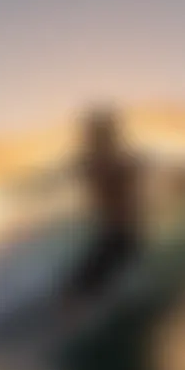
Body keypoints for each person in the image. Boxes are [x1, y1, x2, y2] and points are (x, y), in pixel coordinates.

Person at [61, 107, 146, 320]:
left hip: (121, 236)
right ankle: (87, 319)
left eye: (94, 133)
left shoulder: (111, 162)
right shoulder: (100, 162)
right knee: (87, 286)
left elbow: (126, 180)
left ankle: (79, 321)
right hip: (116, 235)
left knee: (82, 288)